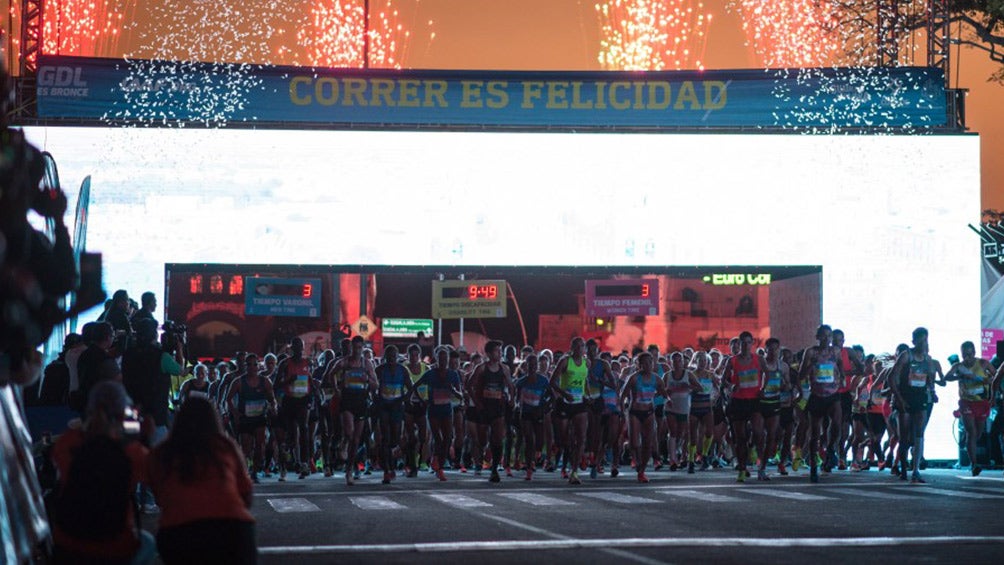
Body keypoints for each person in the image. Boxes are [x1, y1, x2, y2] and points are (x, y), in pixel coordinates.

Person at [49, 381, 155, 565]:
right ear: (122, 413)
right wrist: (143, 436)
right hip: (115, 547)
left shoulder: (67, 443)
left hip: (66, 542)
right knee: (148, 542)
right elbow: (153, 474)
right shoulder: (132, 452)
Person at [148, 397, 256, 564]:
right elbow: (246, 493)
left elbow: (160, 497)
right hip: (232, 528)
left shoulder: (163, 451)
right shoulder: (224, 445)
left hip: (178, 531)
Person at [940, 341, 995, 476]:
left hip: (981, 402)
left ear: (974, 352)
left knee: (978, 433)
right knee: (971, 432)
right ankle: (974, 464)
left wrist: (988, 381)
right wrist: (960, 376)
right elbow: (947, 377)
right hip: (966, 403)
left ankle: (970, 445)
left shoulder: (983, 363)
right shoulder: (959, 366)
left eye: (970, 354)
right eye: (964, 354)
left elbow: (995, 376)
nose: (967, 357)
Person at [798, 325, 844, 483]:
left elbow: (840, 363)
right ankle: (813, 466)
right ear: (818, 337)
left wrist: (842, 375)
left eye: (829, 336)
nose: (827, 339)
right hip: (817, 396)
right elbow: (801, 375)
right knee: (815, 433)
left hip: (832, 394)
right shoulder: (811, 352)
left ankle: (831, 448)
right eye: (823, 336)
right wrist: (811, 365)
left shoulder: (835, 351)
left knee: (837, 423)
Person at [328, 336, 377, 485]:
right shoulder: (344, 362)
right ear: (351, 348)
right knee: (349, 433)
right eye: (354, 347)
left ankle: (349, 469)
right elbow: (331, 374)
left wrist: (369, 382)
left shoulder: (366, 363)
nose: (357, 350)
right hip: (347, 400)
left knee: (356, 440)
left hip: (361, 401)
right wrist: (336, 389)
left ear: (362, 348)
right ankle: (344, 442)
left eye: (359, 348)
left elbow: (376, 383)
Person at [889, 327, 935, 483]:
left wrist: (932, 391)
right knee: (904, 437)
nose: (923, 344)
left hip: (920, 399)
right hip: (905, 399)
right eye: (920, 341)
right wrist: (899, 398)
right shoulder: (906, 356)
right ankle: (903, 469)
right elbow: (891, 377)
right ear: (914, 341)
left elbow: (929, 378)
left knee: (919, 435)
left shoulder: (928, 359)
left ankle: (915, 471)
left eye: (926, 340)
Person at [412, 346, 464, 481]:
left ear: (447, 359)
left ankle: (438, 464)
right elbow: (415, 385)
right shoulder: (430, 373)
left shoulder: (453, 374)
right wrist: (423, 400)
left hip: (447, 410)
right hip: (434, 410)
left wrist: (453, 391)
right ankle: (438, 465)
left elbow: (460, 395)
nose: (443, 360)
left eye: (445, 358)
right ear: (436, 359)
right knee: (438, 439)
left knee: (447, 439)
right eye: (440, 358)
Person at [722, 331, 767, 482]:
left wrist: (763, 389)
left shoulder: (759, 359)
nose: (746, 345)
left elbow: (768, 374)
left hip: (754, 400)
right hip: (738, 401)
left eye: (749, 342)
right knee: (740, 438)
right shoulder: (732, 361)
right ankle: (742, 468)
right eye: (743, 342)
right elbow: (724, 379)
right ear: (739, 344)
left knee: (758, 433)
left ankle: (761, 468)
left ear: (752, 343)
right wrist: (731, 385)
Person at [467, 340, 515, 483]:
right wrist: (477, 403)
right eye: (497, 351)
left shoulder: (504, 368)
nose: (500, 353)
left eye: (500, 351)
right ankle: (481, 457)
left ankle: (494, 469)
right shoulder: (481, 368)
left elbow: (511, 386)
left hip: (498, 408)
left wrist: (512, 399)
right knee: (482, 440)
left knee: (498, 438)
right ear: (488, 353)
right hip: (484, 408)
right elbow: (469, 386)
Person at [226, 354, 277, 483]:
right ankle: (244, 471)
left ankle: (254, 472)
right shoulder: (238, 381)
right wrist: (235, 413)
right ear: (245, 366)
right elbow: (228, 398)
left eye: (255, 364)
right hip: (245, 418)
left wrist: (273, 407)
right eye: (249, 364)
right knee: (246, 448)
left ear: (258, 366)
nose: (252, 367)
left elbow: (272, 398)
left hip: (260, 417)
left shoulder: (265, 381)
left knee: (260, 445)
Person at [620, 351, 669, 483]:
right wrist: (621, 411)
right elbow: (623, 395)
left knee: (648, 442)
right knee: (635, 442)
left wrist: (662, 398)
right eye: (645, 363)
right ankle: (636, 459)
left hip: (649, 412)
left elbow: (664, 393)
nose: (648, 365)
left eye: (650, 362)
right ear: (639, 365)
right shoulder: (634, 378)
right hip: (634, 412)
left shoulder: (657, 378)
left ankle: (642, 470)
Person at [551, 337, 591, 485]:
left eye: (583, 346)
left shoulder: (587, 363)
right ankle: (562, 451)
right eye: (578, 346)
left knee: (581, 438)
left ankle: (574, 471)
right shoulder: (565, 362)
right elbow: (552, 382)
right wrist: (563, 393)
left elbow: (585, 380)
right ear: (572, 347)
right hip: (565, 402)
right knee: (563, 439)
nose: (581, 348)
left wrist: (587, 394)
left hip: (579, 403)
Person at [374, 345, 412, 484]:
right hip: (384, 406)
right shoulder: (379, 370)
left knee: (395, 439)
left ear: (397, 357)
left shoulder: (403, 370)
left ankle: (394, 464)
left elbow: (410, 387)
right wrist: (375, 397)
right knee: (385, 437)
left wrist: (404, 399)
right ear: (385, 357)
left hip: (397, 406)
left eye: (394, 357)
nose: (391, 359)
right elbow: (372, 384)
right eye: (389, 357)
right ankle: (387, 470)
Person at [515, 353, 550, 480]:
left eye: (535, 364)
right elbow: (516, 399)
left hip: (538, 412)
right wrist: (517, 407)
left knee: (539, 441)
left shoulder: (544, 380)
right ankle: (529, 467)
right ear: (526, 366)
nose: (533, 367)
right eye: (531, 364)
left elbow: (551, 396)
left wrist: (544, 407)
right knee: (529, 439)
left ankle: (536, 456)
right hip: (525, 413)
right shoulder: (521, 382)